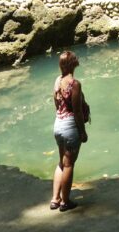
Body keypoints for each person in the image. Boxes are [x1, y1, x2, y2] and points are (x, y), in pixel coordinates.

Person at [50, 50, 88, 212]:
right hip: (70, 127)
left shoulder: (57, 81)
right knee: (69, 164)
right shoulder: (75, 84)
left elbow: (56, 104)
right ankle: (65, 201)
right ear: (74, 64)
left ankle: (55, 199)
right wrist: (83, 131)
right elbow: (78, 111)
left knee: (61, 162)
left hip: (58, 124)